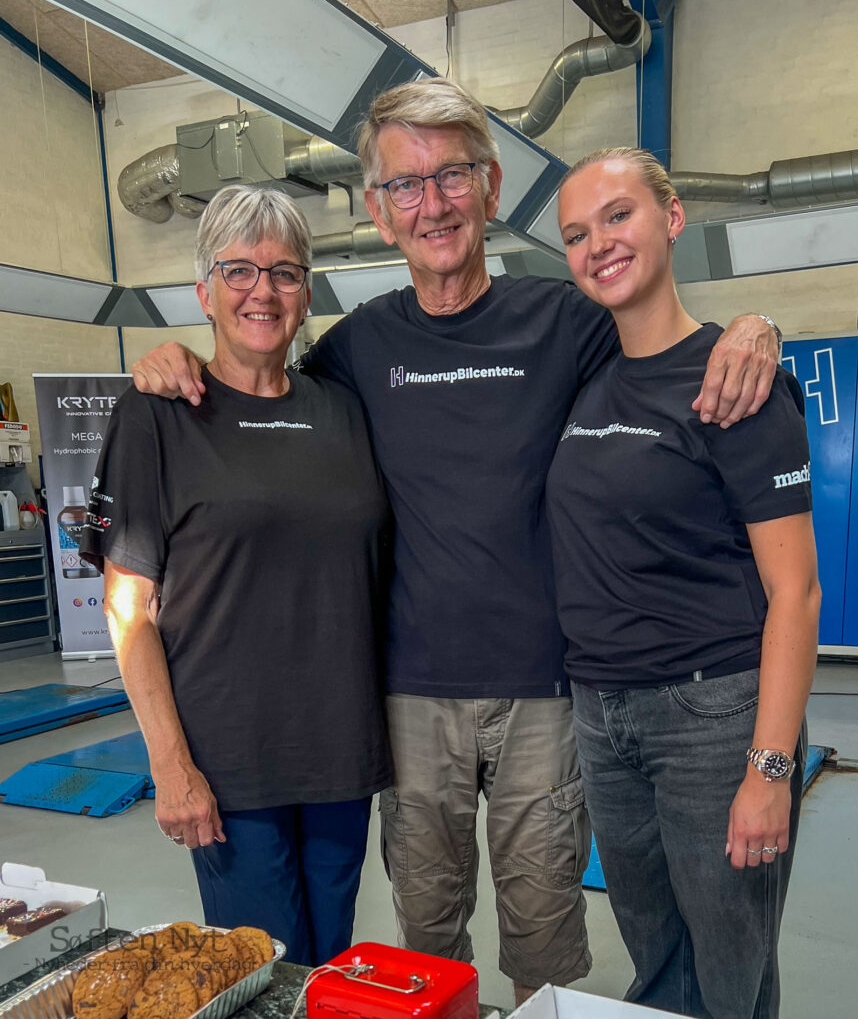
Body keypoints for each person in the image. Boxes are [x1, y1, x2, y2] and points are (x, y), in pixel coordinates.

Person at [130, 79, 782, 1004]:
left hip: (545, 696)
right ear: (378, 210)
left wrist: (757, 327)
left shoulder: (567, 322)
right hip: (407, 699)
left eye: (451, 177)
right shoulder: (356, 347)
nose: (431, 203)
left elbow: (665, 338)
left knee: (546, 936)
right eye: (406, 185)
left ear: (489, 185)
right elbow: (257, 376)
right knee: (425, 937)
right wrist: (172, 360)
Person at [81, 185, 391, 967]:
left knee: (326, 968)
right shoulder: (156, 414)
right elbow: (129, 610)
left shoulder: (343, 410)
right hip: (226, 765)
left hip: (339, 754)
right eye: (240, 270)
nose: (263, 290)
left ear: (306, 293)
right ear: (204, 292)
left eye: (285, 273)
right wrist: (169, 764)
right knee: (259, 971)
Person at [547, 147, 821, 1018]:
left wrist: (770, 769)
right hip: (604, 716)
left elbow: (797, 593)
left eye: (618, 216)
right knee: (657, 961)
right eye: (577, 234)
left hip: (714, 716)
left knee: (730, 971)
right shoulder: (586, 376)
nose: (599, 245)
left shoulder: (734, 385)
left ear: (671, 218)